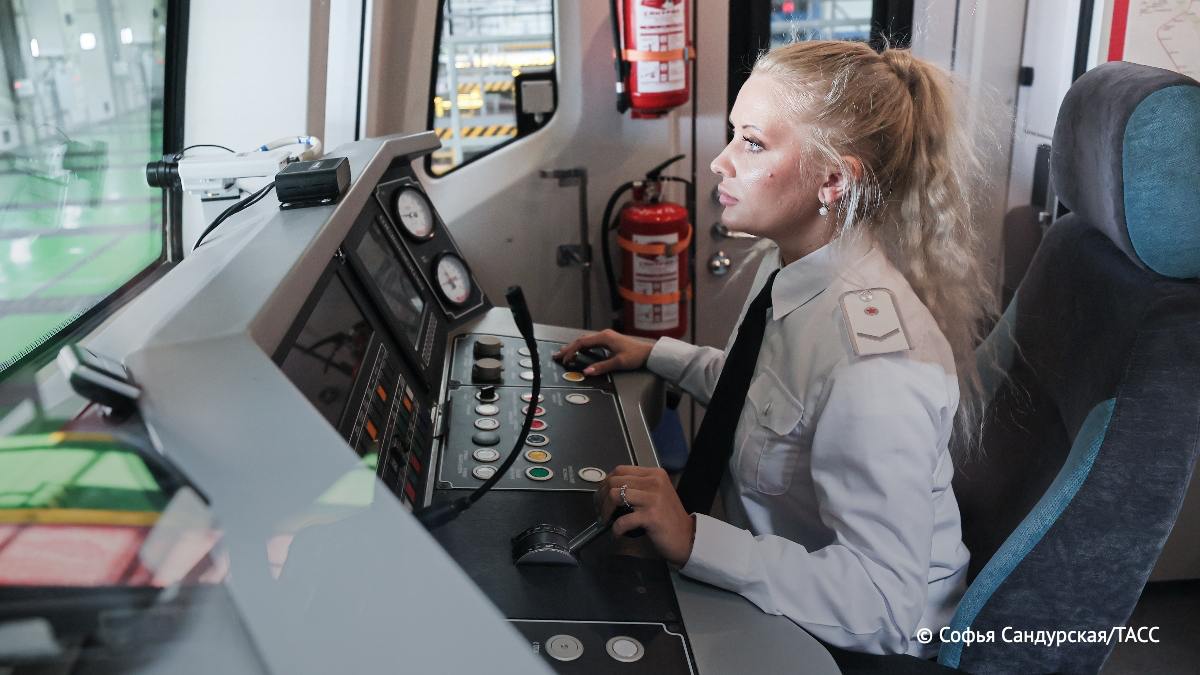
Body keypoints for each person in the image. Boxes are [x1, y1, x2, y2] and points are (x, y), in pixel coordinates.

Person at [555, 41, 995, 658]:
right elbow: (760, 393)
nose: (719, 163)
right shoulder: (792, 269)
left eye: (753, 143)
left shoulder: (878, 369)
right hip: (779, 586)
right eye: (733, 135)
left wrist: (691, 540)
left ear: (834, 178)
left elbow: (884, 607)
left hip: (856, 644)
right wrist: (656, 353)